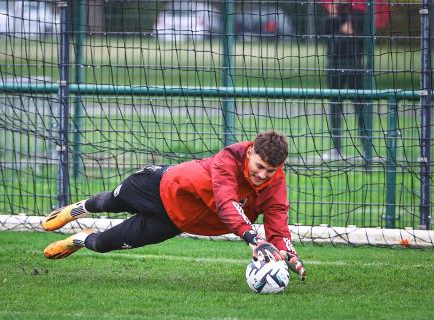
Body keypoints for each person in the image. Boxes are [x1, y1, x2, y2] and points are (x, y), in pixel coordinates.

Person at [41, 130, 306, 281]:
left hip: (173, 221)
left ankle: (78, 239)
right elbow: (226, 202)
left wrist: (288, 253)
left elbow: (277, 222)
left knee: (101, 245)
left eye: (270, 171)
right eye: (259, 167)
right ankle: (77, 210)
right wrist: (251, 237)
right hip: (157, 185)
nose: (262, 175)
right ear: (250, 153)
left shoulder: (274, 185)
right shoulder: (229, 159)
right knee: (107, 201)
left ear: (278, 169)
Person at [321, 0, 390, 161]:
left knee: (361, 108)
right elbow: (325, 37)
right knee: (335, 107)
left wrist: (352, 28)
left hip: (355, 67)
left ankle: (366, 149)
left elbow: (365, 40)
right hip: (334, 66)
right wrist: (334, 18)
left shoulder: (360, 16)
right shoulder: (331, 17)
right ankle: (336, 148)